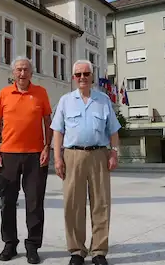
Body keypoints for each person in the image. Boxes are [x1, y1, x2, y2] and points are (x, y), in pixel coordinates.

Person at [50, 59, 121, 265]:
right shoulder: (65, 101)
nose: (82, 77)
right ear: (73, 78)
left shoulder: (103, 100)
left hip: (99, 155)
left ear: (92, 76)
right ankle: (76, 251)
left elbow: (113, 131)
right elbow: (57, 131)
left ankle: (99, 251)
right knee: (73, 204)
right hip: (72, 156)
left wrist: (114, 153)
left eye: (86, 74)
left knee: (101, 203)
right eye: (78, 74)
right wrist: (57, 158)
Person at [0, 56, 53, 264]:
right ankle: (9, 243)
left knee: (34, 202)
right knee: (7, 201)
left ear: (31, 73)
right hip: (8, 154)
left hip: (35, 155)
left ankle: (33, 246)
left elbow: (48, 121)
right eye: (18, 69)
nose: (22, 73)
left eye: (26, 69)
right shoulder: (4, 94)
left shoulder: (41, 93)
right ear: (13, 73)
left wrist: (47, 147)